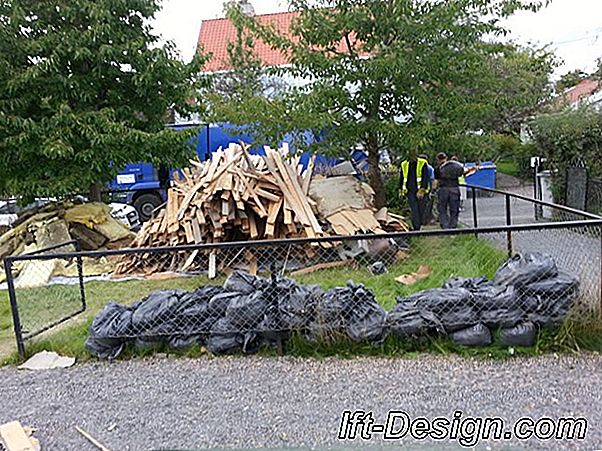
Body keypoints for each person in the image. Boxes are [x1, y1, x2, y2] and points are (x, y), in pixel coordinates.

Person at [434, 153, 478, 229]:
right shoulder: (456, 166)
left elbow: (436, 180)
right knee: (454, 209)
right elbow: (464, 173)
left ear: (438, 160)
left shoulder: (438, 168)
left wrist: (434, 190)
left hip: (443, 189)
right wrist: (473, 169)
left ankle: (445, 226)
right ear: (446, 158)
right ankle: (453, 226)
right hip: (454, 188)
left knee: (442, 209)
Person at [399, 154, 430, 230]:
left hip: (420, 190)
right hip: (410, 190)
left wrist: (422, 190)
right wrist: (400, 190)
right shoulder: (404, 164)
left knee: (421, 209)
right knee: (414, 209)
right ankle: (417, 228)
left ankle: (418, 224)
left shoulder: (422, 163)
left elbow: (425, 177)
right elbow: (402, 177)